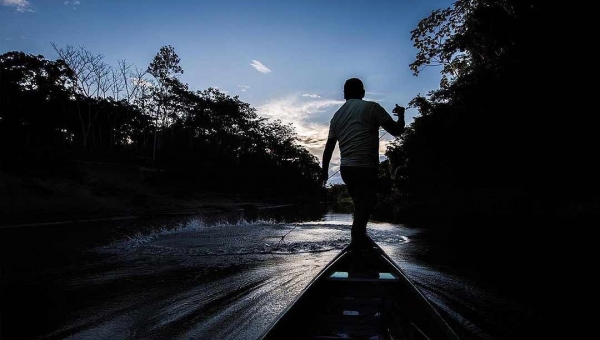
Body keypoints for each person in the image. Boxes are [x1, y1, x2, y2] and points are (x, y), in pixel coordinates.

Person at [321, 77, 405, 250]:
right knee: (365, 203)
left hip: (347, 171)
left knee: (362, 204)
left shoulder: (336, 116)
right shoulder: (372, 107)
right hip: (366, 168)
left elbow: (328, 148)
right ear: (363, 93)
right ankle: (358, 240)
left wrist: (324, 171)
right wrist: (402, 115)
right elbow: (397, 131)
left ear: (344, 94)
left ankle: (359, 239)